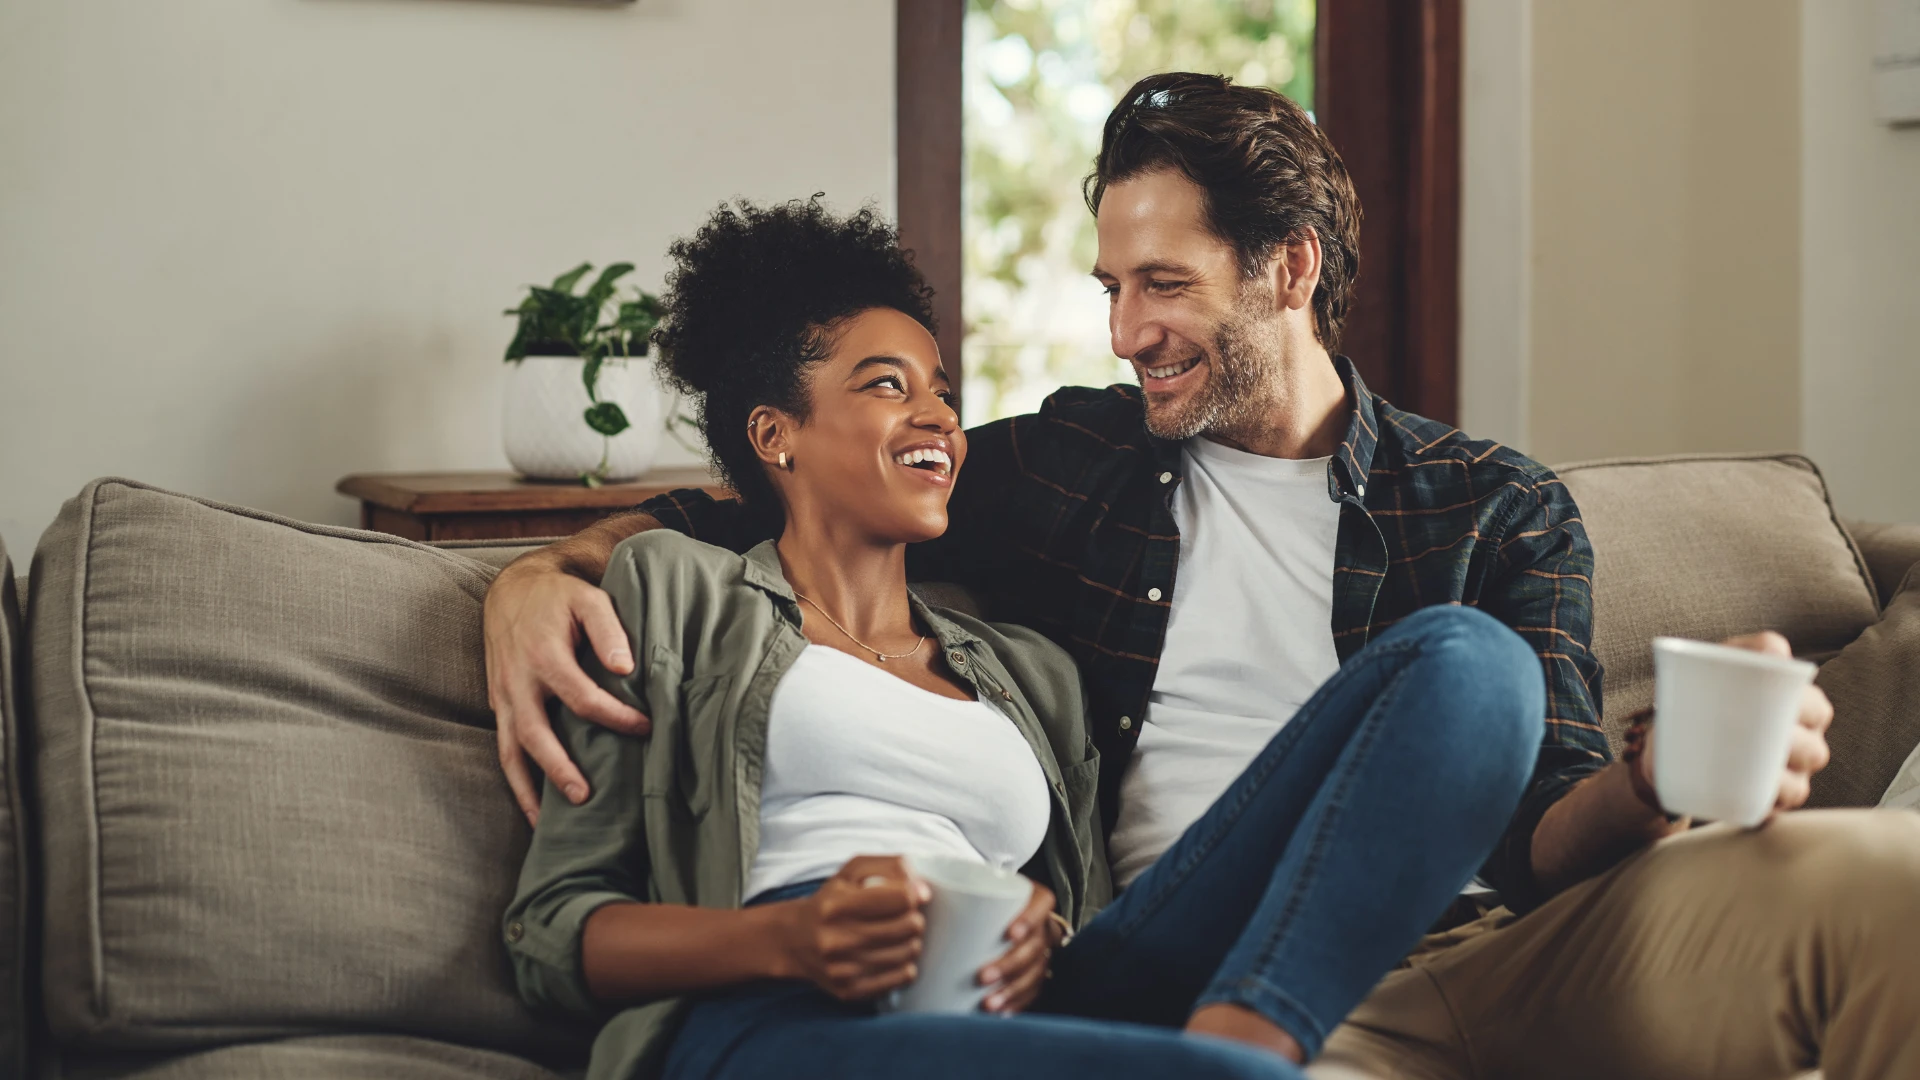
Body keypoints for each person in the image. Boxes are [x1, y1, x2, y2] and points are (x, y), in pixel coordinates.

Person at [490, 74, 1920, 1079]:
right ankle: (1249, 1046)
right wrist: (543, 571)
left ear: (1289, 269)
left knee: (1831, 855)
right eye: (1112, 288)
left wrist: (1659, 784)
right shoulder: (1071, 464)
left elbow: (1550, 831)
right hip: (1189, 970)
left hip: (1486, 944)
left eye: (1163, 285)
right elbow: (763, 495)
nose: (1125, 333)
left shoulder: (1493, 505)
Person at [503, 198, 1545, 1080]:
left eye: (943, 392)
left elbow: (1076, 911)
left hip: (1033, 1010)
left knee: (1470, 663)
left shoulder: (1025, 671)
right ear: (775, 434)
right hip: (778, 1022)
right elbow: (552, 933)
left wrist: (1042, 932)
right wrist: (789, 938)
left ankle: (1251, 1032)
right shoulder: (672, 595)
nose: (938, 418)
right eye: (887, 385)